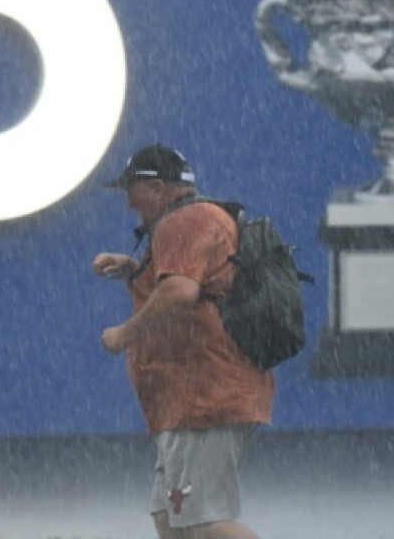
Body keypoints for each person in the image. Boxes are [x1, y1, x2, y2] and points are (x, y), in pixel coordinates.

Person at [94, 144, 273, 539]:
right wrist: (132, 269)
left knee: (205, 524)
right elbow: (195, 283)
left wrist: (125, 334)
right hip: (189, 399)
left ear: (157, 187)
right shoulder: (197, 220)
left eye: (131, 190)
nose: (127, 204)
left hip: (204, 397)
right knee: (169, 519)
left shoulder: (184, 223)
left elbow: (179, 292)